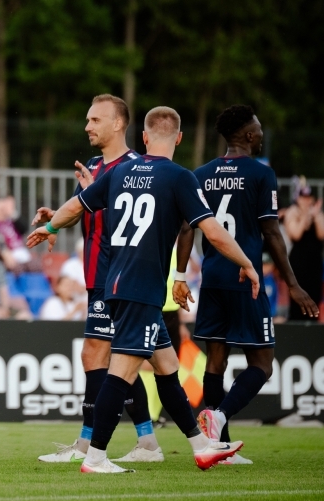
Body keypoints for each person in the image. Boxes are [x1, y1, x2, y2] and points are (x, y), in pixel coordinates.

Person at [28, 106, 258, 473]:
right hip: (142, 289)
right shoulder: (179, 177)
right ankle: (96, 457)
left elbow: (76, 206)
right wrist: (246, 262)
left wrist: (52, 227)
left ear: (145, 137)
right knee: (121, 373)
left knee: (167, 367)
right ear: (179, 138)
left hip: (116, 284)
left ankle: (201, 447)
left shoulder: (119, 172)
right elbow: (212, 231)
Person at [173, 105, 319, 464]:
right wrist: (293, 284)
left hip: (213, 278)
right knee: (263, 364)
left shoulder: (201, 174)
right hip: (245, 277)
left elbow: (187, 228)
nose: (262, 134)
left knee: (215, 362)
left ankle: (219, 447)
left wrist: (180, 276)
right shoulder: (261, 174)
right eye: (259, 128)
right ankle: (221, 416)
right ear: (249, 135)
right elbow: (272, 233)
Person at [33, 95, 163, 464]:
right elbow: (80, 209)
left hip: (118, 275)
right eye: (88, 119)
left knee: (95, 353)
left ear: (118, 124)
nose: (87, 126)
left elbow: (137, 225)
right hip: (98, 275)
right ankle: (148, 441)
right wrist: (55, 220)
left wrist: (95, 194)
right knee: (124, 359)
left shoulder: (137, 168)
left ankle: (87, 443)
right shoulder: (93, 165)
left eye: (95, 120)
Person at [283, 177, 324, 320]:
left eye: (309, 197)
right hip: (298, 263)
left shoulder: (318, 213)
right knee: (298, 300)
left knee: (315, 297)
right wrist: (305, 216)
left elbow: (322, 234)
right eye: (303, 197)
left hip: (315, 263)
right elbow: (295, 235)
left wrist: (316, 216)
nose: (306, 201)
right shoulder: (292, 212)